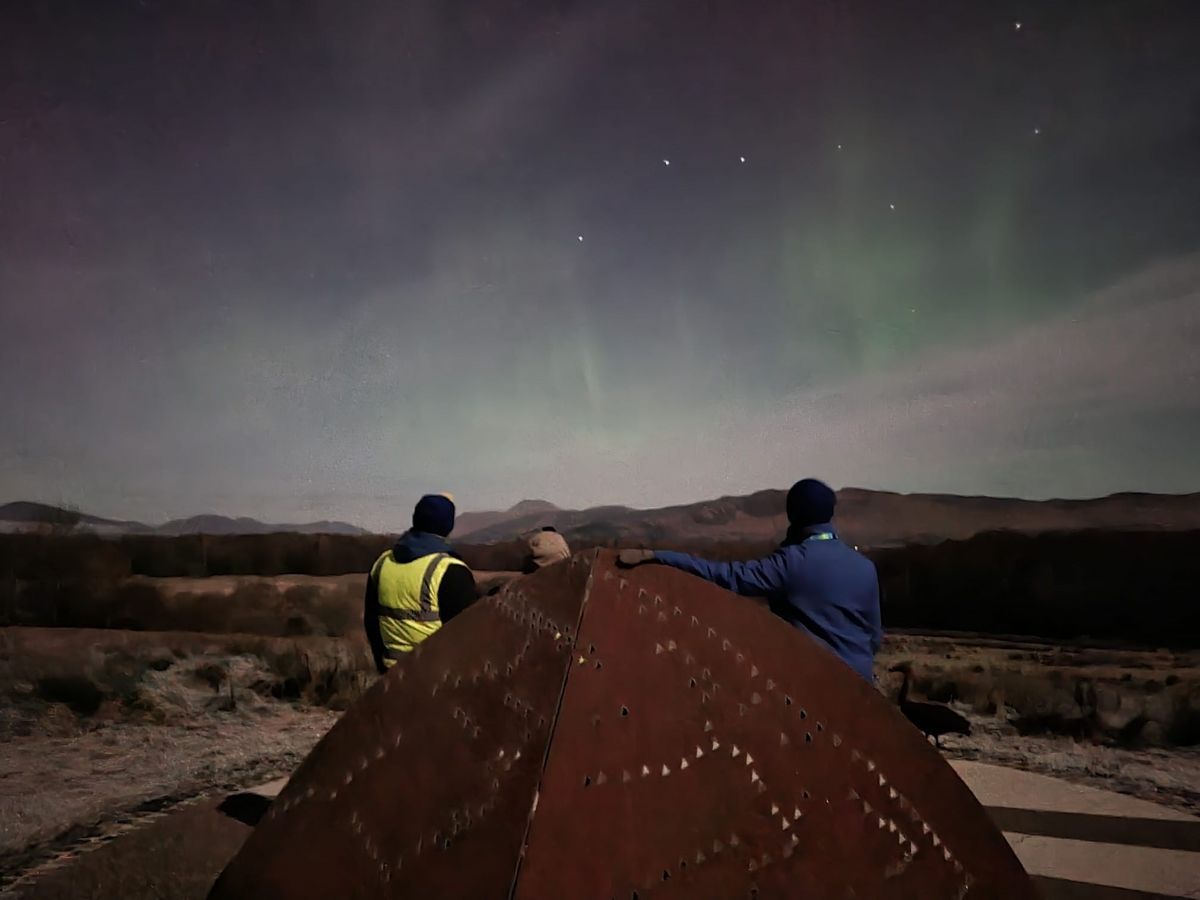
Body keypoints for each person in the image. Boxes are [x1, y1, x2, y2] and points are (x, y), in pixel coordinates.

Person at [617, 479, 881, 681]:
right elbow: (874, 638)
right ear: (830, 514)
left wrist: (658, 555)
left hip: (813, 690)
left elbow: (724, 576)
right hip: (862, 690)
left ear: (794, 515)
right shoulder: (865, 567)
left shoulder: (791, 563)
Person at [363, 493, 476, 674]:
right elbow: (467, 637)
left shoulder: (383, 562)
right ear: (448, 526)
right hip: (435, 679)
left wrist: (383, 670)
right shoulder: (450, 569)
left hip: (391, 676)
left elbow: (371, 622)